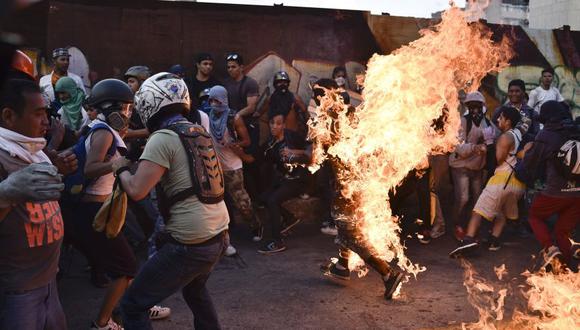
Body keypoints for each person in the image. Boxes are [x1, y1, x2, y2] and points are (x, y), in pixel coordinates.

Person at [117, 72, 229, 330]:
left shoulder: (162, 137)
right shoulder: (197, 130)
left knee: (132, 305)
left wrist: (120, 167)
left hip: (191, 242)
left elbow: (136, 191)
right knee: (195, 291)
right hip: (219, 234)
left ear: (150, 103)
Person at [72, 79, 168, 330]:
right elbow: (90, 168)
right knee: (125, 267)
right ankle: (103, 323)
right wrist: (116, 166)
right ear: (109, 107)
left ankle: (137, 305)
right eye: (124, 107)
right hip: (92, 210)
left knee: (125, 262)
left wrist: (154, 130)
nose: (128, 113)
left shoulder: (105, 128)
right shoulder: (103, 131)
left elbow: (125, 135)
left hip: (102, 207)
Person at [311, 78, 404, 300]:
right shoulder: (350, 113)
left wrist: (291, 154)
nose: (316, 98)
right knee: (346, 230)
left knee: (352, 235)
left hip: (347, 187)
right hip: (357, 183)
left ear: (330, 94)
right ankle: (342, 267)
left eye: (319, 93)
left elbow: (315, 157)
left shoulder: (329, 120)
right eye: (315, 94)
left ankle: (388, 273)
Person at [0, 78, 67, 329]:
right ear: (8, 116)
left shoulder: (34, 152)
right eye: (38, 114)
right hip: (18, 291)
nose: (46, 121)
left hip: (49, 281)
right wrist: (5, 192)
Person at [450, 106, 527, 257]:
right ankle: (493, 240)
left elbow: (497, 161)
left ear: (508, 121)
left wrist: (490, 144)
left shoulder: (506, 137)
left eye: (501, 118)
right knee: (501, 212)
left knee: (478, 211)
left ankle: (468, 240)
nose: (498, 120)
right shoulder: (518, 135)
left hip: (501, 181)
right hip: (517, 184)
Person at [233, 113, 311, 253]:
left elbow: (311, 152)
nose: (274, 126)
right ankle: (289, 218)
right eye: (272, 123)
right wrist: (238, 152)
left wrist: (293, 152)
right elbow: (252, 160)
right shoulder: (269, 144)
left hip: (300, 179)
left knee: (273, 201)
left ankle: (277, 241)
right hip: (285, 179)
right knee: (262, 199)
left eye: (278, 123)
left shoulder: (292, 136)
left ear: (284, 125)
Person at [520, 101, 580, 271]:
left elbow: (530, 164)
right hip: (578, 195)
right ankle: (565, 268)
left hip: (555, 192)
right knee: (562, 230)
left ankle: (550, 248)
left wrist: (527, 150)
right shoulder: (576, 130)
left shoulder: (546, 135)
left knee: (534, 216)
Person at [206, 85, 261, 245]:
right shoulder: (208, 116)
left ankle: (257, 227)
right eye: (211, 100)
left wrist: (232, 143)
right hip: (215, 167)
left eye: (217, 100)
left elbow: (247, 141)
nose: (214, 103)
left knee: (242, 202)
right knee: (217, 203)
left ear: (224, 99)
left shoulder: (233, 118)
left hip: (233, 167)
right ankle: (224, 233)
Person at [448, 91, 494, 241]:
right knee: (463, 198)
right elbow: (458, 147)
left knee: (477, 199)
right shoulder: (463, 122)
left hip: (477, 168)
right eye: (472, 106)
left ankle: (471, 228)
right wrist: (475, 148)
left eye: (478, 106)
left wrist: (487, 147)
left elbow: (491, 142)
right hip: (460, 166)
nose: (475, 109)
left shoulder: (487, 123)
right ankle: (456, 225)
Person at [256, 71, 308, 137]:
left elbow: (305, 113)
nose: (282, 85)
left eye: (285, 82)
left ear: (288, 84)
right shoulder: (270, 99)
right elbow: (259, 113)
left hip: (292, 135)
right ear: (275, 84)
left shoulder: (295, 98)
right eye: (280, 82)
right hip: (276, 135)